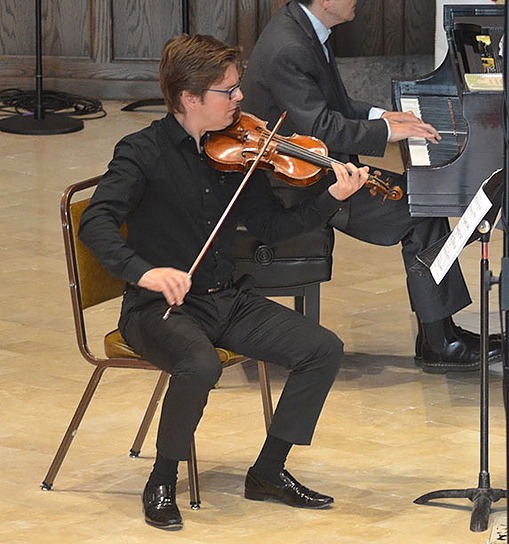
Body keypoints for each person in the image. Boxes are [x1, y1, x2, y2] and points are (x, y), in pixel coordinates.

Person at [79, 34, 370, 530]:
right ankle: (163, 478)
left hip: (225, 300)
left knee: (322, 349)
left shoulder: (238, 153)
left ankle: (268, 472)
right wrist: (145, 271)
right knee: (198, 365)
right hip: (156, 309)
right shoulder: (141, 151)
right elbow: (96, 223)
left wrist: (331, 199)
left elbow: (271, 229)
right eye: (229, 91)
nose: (241, 99)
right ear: (190, 98)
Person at [241, 0, 500, 374]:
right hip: (298, 184)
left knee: (422, 201)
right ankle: (440, 342)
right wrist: (388, 132)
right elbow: (319, 130)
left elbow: (333, 104)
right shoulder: (290, 48)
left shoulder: (304, 28)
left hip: (319, 168)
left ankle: (438, 335)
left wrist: (384, 115)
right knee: (420, 211)